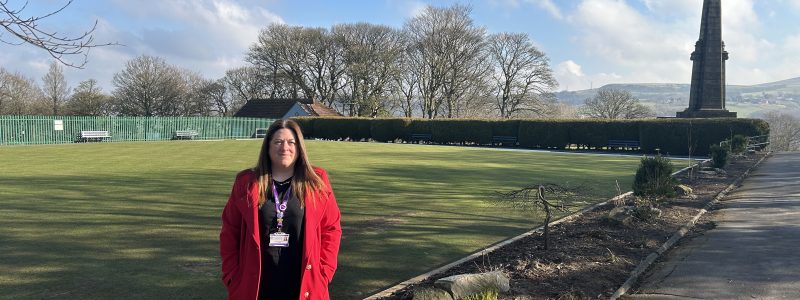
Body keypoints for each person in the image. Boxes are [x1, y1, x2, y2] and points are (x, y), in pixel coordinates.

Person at [220, 119, 341, 300]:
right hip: (256, 286)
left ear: (299, 147)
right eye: (278, 142)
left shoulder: (317, 181)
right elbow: (230, 231)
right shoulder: (246, 182)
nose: (284, 147)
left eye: (291, 142)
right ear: (267, 146)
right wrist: (232, 276)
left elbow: (331, 228)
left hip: (303, 284)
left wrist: (324, 272)